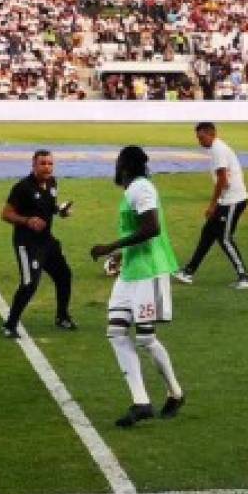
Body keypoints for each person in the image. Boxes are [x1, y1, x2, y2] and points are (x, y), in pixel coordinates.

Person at [90, 146, 185, 428]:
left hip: (149, 272)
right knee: (116, 332)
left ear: (125, 167)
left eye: (118, 163)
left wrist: (111, 246)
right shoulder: (132, 190)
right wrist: (121, 255)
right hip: (131, 272)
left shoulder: (141, 188)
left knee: (144, 338)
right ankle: (141, 402)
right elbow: (139, 231)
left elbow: (152, 228)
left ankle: (175, 393)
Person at [0, 150, 77, 338]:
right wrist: (27, 221)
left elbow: (49, 206)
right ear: (33, 165)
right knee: (29, 284)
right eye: (43, 163)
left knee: (64, 276)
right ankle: (10, 325)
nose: (47, 167)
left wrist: (61, 211)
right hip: (27, 244)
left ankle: (62, 316)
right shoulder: (22, 187)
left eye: (50, 164)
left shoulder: (52, 183)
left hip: (47, 241)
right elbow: (6, 214)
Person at [175, 122, 248, 289]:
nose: (199, 141)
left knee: (225, 239)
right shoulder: (217, 148)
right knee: (208, 233)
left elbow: (223, 181)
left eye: (201, 137)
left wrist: (212, 205)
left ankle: (245, 277)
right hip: (227, 200)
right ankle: (189, 272)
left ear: (211, 134)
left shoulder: (218, 150)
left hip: (232, 200)